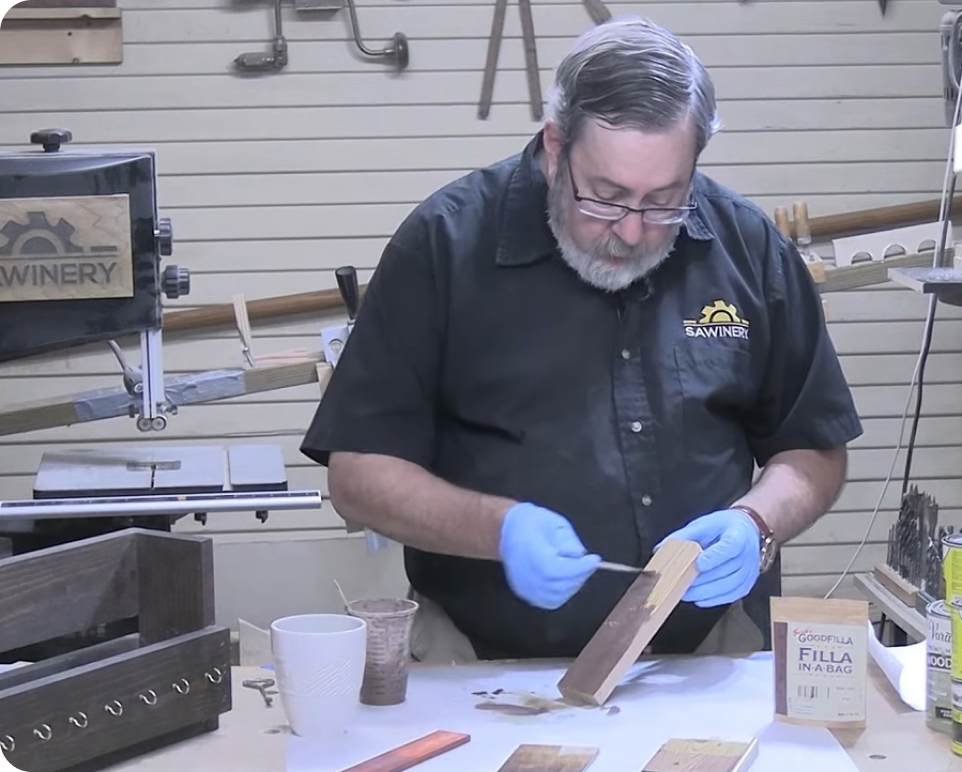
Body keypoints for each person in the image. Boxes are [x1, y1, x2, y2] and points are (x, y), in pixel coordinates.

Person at [300, 16, 863, 663]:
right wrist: (498, 528)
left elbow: (813, 448)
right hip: (479, 663)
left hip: (705, 654)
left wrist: (757, 522)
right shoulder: (444, 245)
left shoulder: (747, 246)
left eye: (664, 201)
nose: (632, 232)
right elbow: (359, 475)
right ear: (555, 146)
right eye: (605, 197)